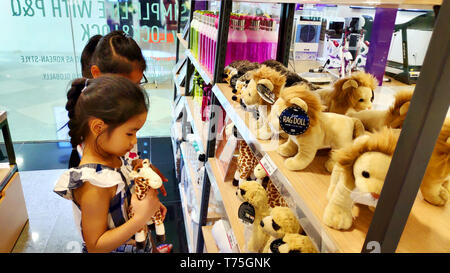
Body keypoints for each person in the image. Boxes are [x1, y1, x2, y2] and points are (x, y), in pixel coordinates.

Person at [54, 75, 166, 253]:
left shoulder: (113, 157)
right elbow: (95, 245)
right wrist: (142, 216)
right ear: (98, 128)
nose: (134, 141)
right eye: (129, 134)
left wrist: (147, 207)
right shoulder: (94, 183)